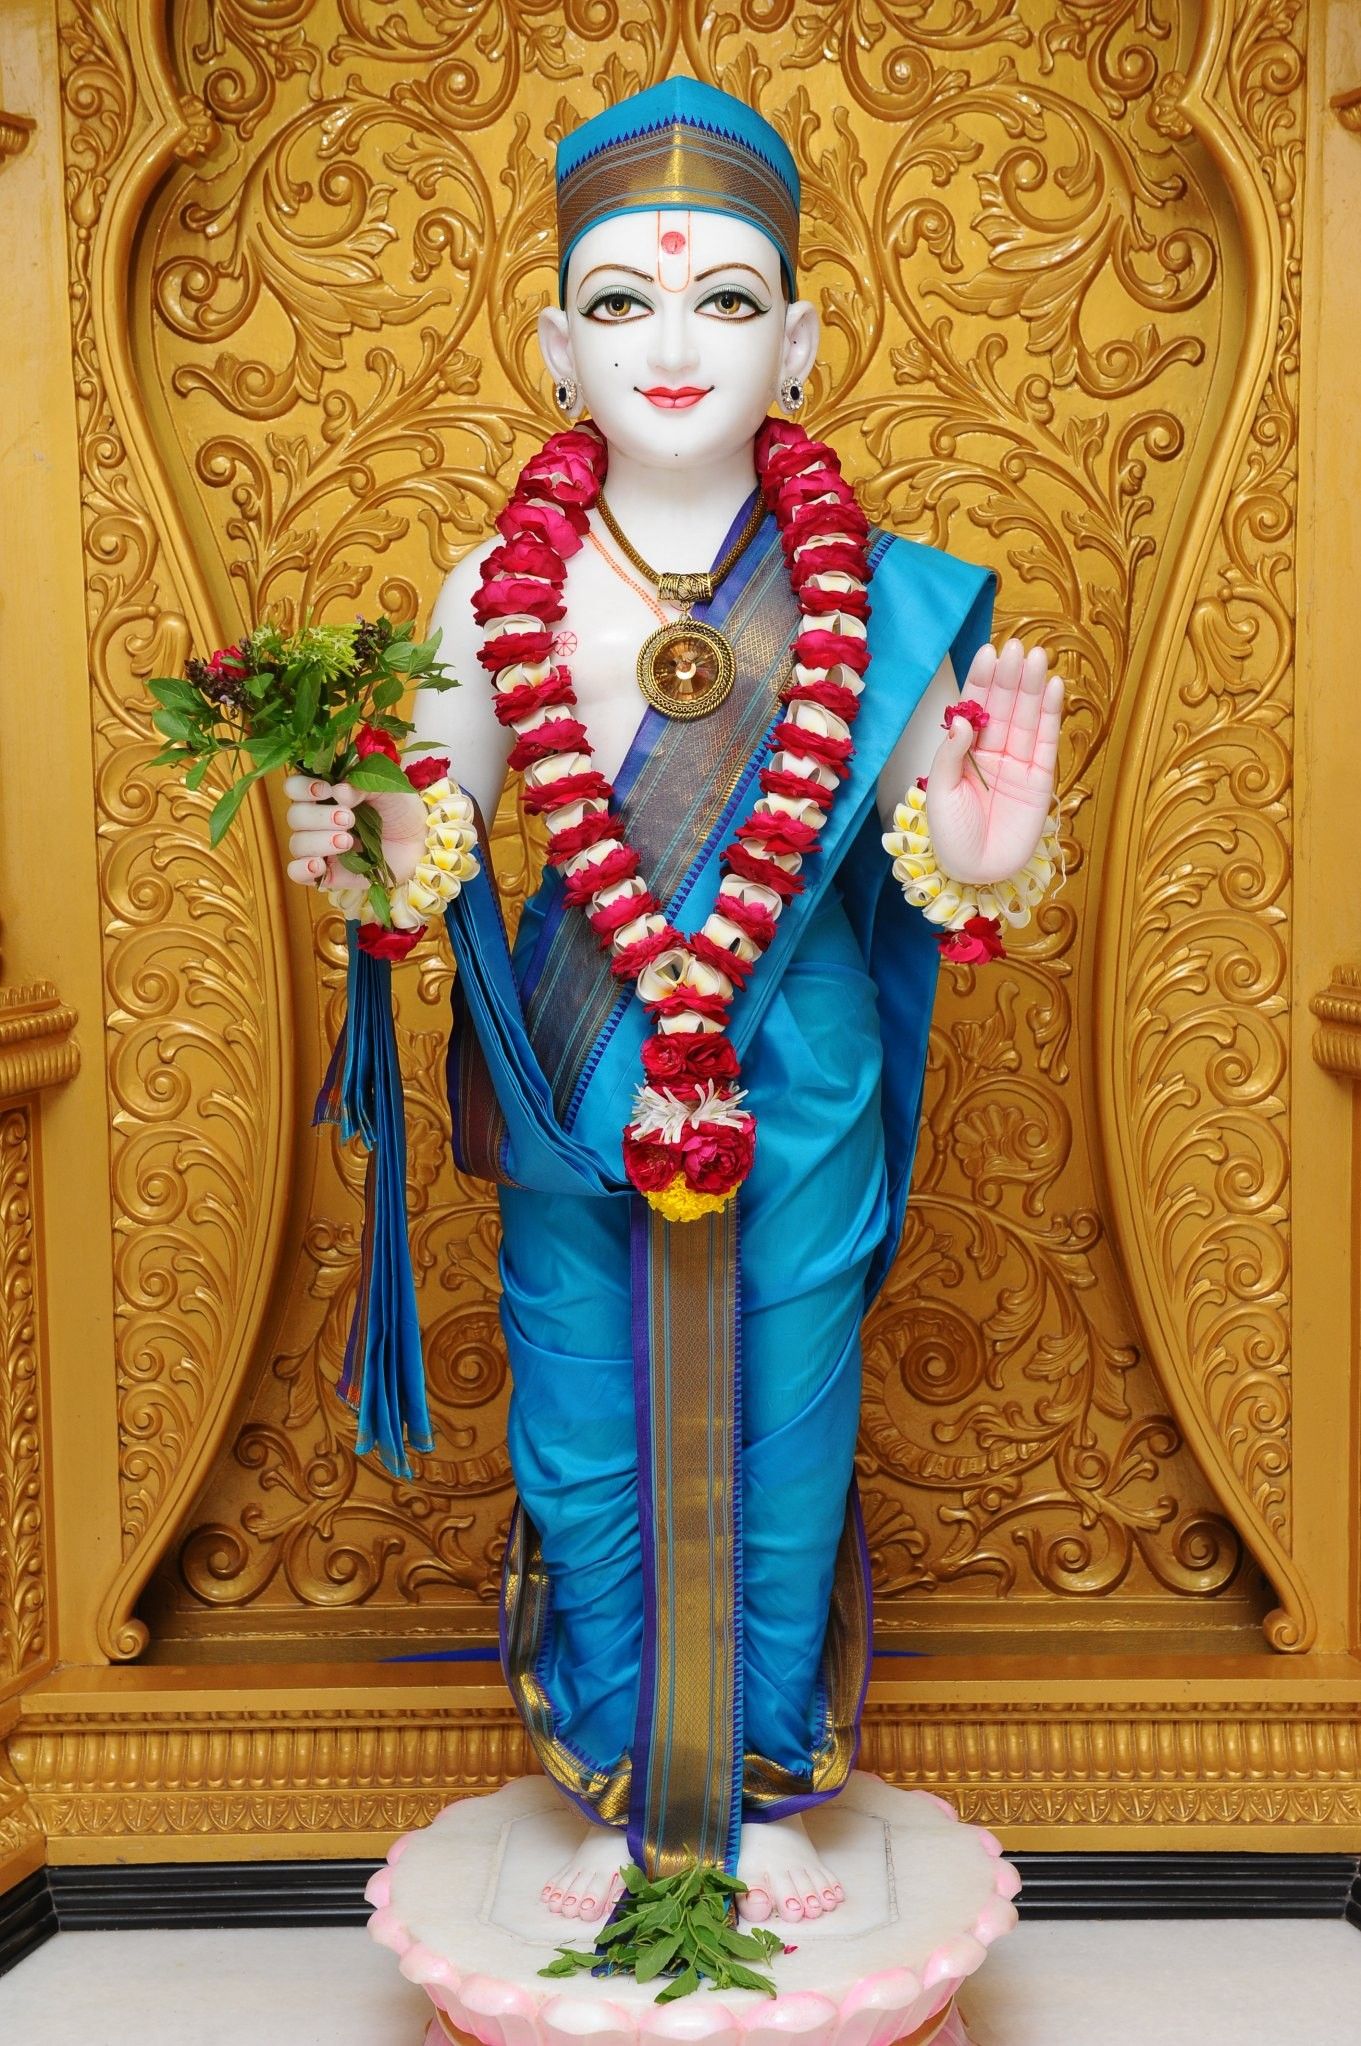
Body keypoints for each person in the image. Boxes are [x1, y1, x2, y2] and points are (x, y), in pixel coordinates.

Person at [284, 80, 1062, 1931]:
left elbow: (925, 857)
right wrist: (354, 838)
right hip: (567, 1075)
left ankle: (764, 1783)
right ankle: (631, 1777)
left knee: (786, 1429)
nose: (673, 340)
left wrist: (978, 832)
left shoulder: (874, 596)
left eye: (725, 297)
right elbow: (433, 843)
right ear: (554, 346)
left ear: (799, 338)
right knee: (579, 1432)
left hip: (791, 1076)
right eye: (621, 302)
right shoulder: (498, 588)